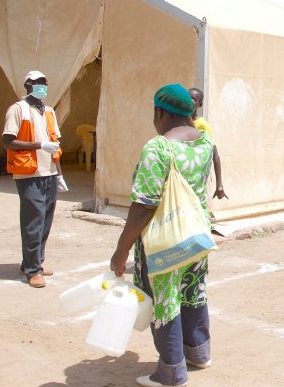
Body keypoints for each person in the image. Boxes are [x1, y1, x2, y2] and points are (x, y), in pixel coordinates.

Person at [110, 84, 214, 387]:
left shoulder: (158, 147)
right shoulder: (205, 142)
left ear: (160, 111)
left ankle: (170, 371)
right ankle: (199, 352)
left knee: (166, 299)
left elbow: (144, 204)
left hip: (164, 242)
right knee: (193, 290)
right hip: (195, 234)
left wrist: (121, 250)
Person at [2, 70, 68, 288]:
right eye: (38, 83)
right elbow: (8, 141)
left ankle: (34, 262)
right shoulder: (18, 110)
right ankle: (33, 271)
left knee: (45, 221)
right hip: (29, 174)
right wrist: (39, 145)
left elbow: (54, 145)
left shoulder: (49, 111)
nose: (43, 87)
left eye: (45, 83)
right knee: (33, 221)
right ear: (28, 85)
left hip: (48, 172)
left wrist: (59, 174)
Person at [188, 88, 227, 200]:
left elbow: (214, 154)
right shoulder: (177, 121)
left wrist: (219, 185)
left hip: (197, 176)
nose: (190, 101)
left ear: (200, 104)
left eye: (194, 99)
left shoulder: (202, 125)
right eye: (188, 98)